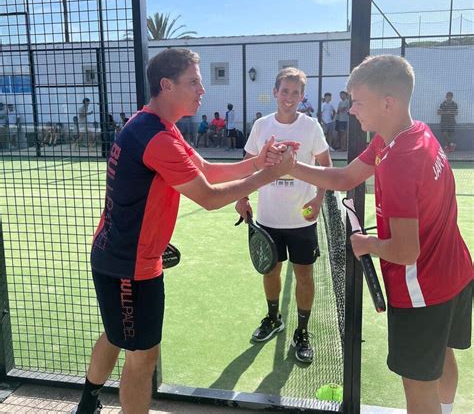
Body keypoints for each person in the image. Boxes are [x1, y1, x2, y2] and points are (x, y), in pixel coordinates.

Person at [72, 48, 296, 414]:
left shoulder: (155, 127)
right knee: (143, 359)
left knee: (118, 335)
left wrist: (257, 163)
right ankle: (91, 405)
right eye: (193, 82)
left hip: (119, 258)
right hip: (130, 267)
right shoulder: (157, 138)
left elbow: (205, 169)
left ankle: (86, 404)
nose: (202, 90)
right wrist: (269, 174)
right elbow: (208, 196)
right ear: (166, 85)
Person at [289, 55, 472, 413]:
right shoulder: (409, 133)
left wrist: (365, 243)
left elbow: (405, 252)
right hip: (458, 274)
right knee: (442, 356)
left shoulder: (399, 160)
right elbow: (344, 178)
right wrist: (291, 167)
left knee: (418, 387)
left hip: (423, 290)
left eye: (357, 101)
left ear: (387, 102)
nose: (351, 109)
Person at [235, 67, 331, 364]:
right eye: (285, 91)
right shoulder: (262, 125)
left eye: (295, 93)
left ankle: (301, 332)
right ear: (275, 92)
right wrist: (242, 197)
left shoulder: (311, 126)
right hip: (268, 219)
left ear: (303, 97)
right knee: (270, 271)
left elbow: (325, 166)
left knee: (304, 275)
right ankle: (273, 318)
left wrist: (317, 199)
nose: (289, 97)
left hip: (302, 220)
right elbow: (248, 164)